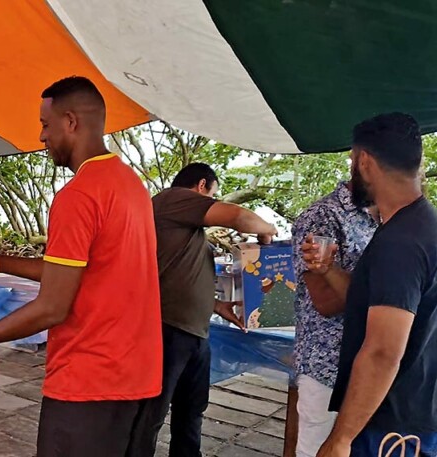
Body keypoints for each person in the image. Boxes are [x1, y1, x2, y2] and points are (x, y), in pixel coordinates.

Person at [0, 76, 163, 457]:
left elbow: (53, 305)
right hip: (136, 377)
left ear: (70, 122)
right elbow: (85, 272)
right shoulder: (129, 184)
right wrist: (1, 262)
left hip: (88, 379)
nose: (41, 136)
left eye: (45, 124)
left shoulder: (79, 195)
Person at [302, 113, 437, 457]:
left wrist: (340, 439)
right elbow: (377, 300)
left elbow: (383, 352)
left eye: (351, 160)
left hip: (390, 429)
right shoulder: (420, 225)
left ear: (364, 162)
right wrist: (329, 269)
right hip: (414, 413)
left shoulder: (401, 243)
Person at [136, 163, 278, 457]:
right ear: (202, 186)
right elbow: (238, 216)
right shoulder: (172, 199)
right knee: (150, 415)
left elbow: (177, 273)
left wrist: (215, 305)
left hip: (194, 331)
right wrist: (267, 230)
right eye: (213, 194)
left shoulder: (184, 228)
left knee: (191, 411)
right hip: (168, 328)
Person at [291, 181, 376, 457]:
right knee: (318, 450)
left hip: (373, 365)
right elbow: (325, 302)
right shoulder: (323, 216)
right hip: (329, 368)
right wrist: (392, 282)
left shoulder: (389, 217)